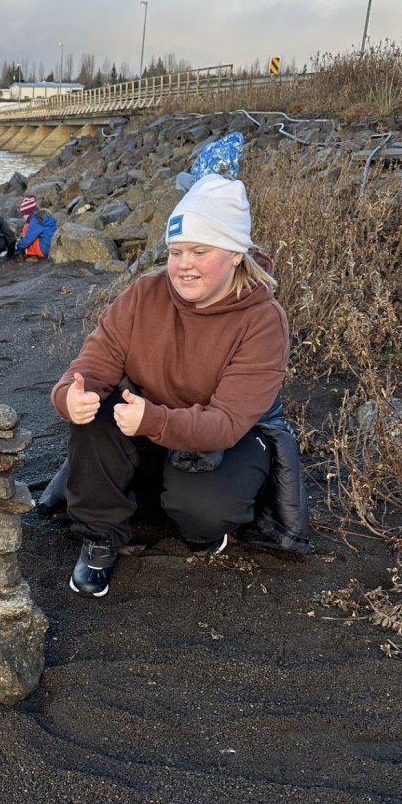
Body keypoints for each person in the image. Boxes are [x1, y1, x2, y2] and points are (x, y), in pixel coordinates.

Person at [51, 174, 306, 598]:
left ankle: (199, 514)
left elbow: (226, 422)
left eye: (199, 251)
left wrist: (153, 420)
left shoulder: (263, 320)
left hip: (227, 437)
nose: (183, 264)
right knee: (93, 418)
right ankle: (99, 536)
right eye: (175, 252)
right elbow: (94, 362)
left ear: (235, 255)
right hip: (149, 420)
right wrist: (70, 396)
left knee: (202, 515)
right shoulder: (144, 294)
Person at [15, 194, 58, 260]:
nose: (23, 217)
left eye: (23, 214)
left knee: (26, 228)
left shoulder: (35, 220)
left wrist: (18, 247)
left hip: (45, 249)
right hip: (53, 245)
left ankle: (28, 253)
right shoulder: (44, 214)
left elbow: (28, 239)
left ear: (28, 213)